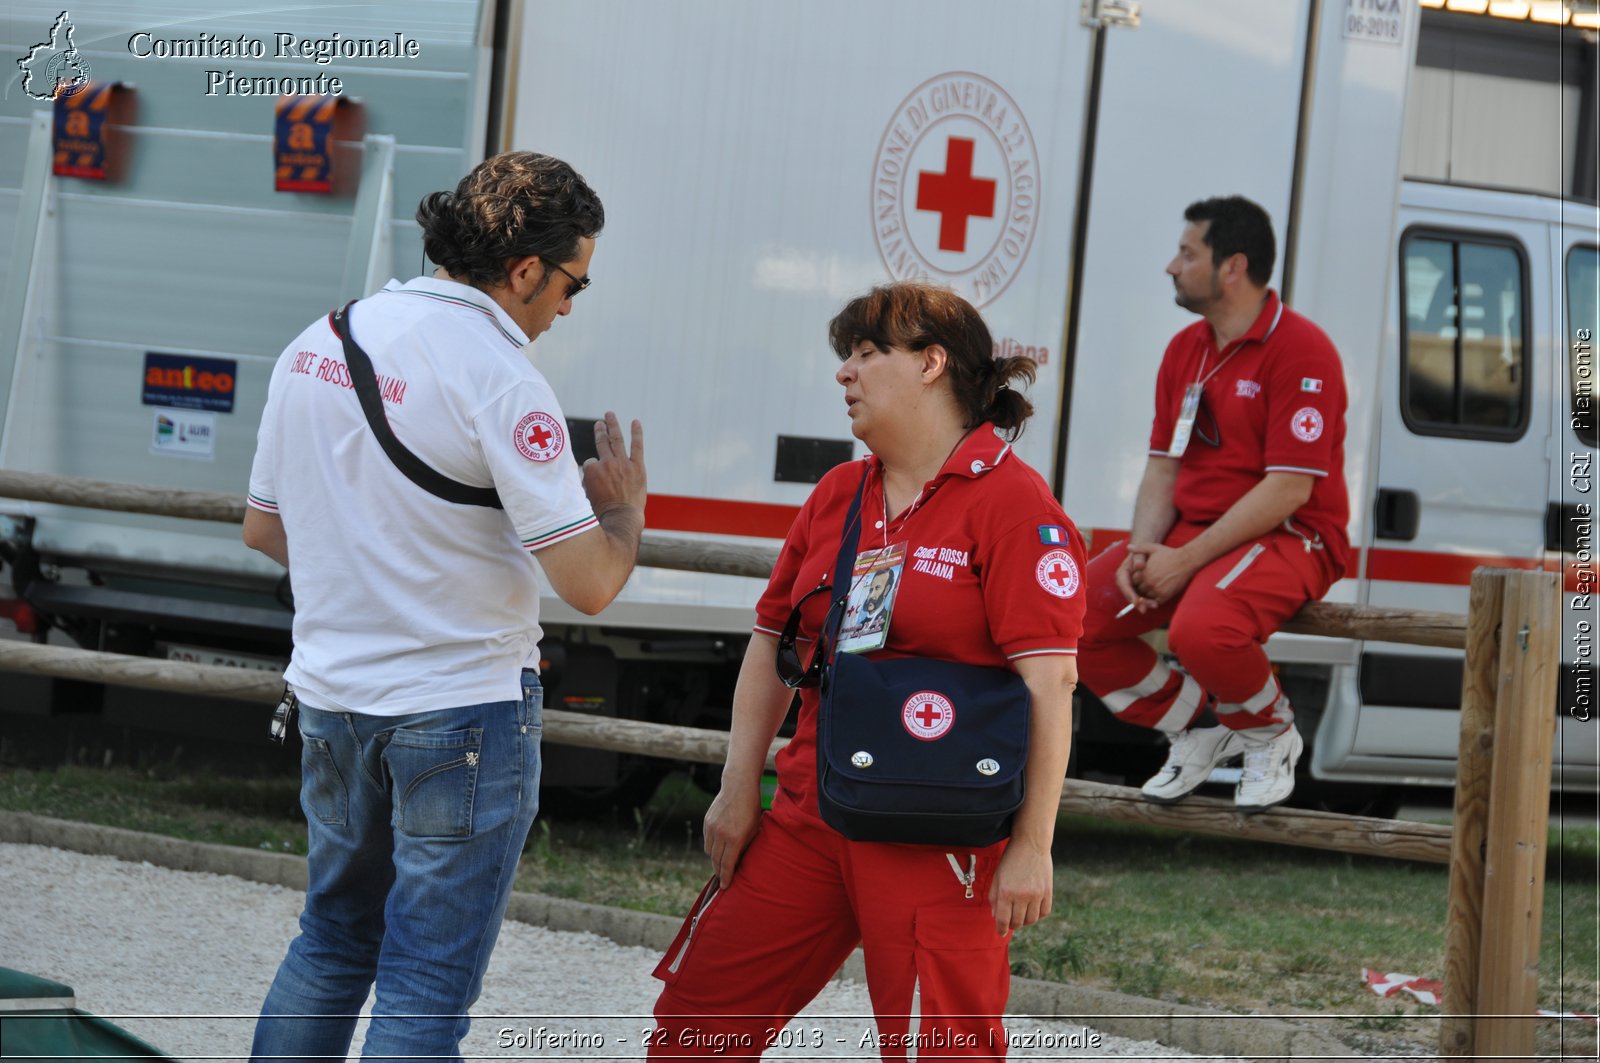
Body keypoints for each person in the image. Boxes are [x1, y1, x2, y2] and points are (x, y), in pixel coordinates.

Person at [241, 152, 647, 1062]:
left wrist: (373, 563)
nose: (570, 306)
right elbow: (588, 580)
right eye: (574, 282)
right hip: (460, 710)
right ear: (527, 270)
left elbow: (264, 531)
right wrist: (623, 507)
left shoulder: (321, 338)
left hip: (332, 701)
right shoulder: (499, 373)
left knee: (331, 940)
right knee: (423, 984)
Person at [649, 282, 1086, 1060]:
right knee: (696, 1025)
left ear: (931, 363)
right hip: (815, 810)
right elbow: (770, 644)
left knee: (937, 1051)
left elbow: (1049, 684)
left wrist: (1033, 845)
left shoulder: (1015, 505)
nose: (844, 373)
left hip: (940, 829)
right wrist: (736, 787)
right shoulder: (838, 493)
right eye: (844, 355)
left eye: (865, 352)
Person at [1076, 195, 1348, 812]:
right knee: (1075, 616)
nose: (1172, 266)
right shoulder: (1184, 349)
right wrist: (1145, 549)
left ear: (1233, 267)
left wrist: (1183, 559)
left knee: (1203, 628)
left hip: (1292, 534)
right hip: (1200, 535)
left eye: (1187, 253)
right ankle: (1202, 725)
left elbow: (1290, 488)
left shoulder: (1302, 350)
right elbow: (1163, 465)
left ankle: (1272, 733)